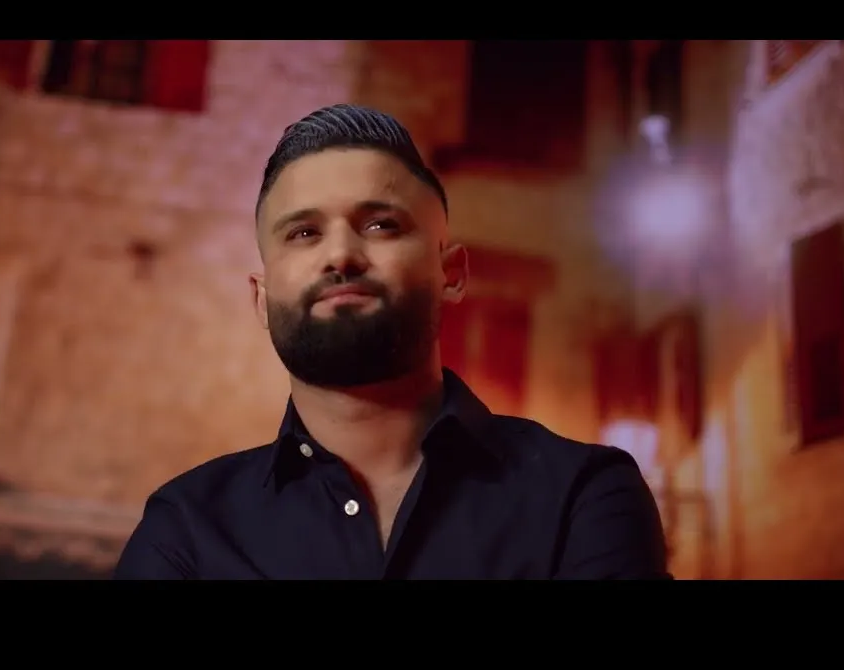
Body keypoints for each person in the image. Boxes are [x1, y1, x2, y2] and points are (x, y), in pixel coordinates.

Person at [113, 104, 670, 580]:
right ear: (261, 298)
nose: (341, 255)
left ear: (451, 274)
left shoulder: (582, 497)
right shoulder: (185, 530)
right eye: (304, 233)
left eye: (381, 225)